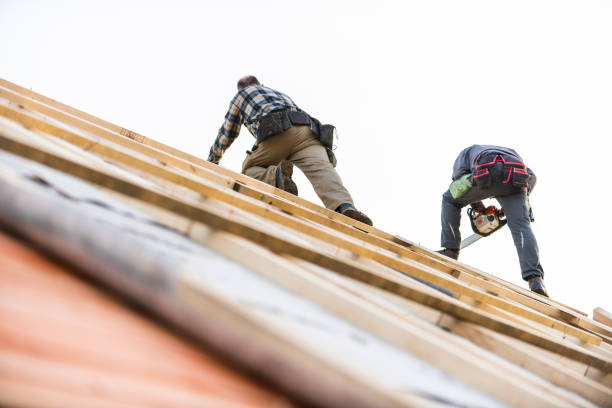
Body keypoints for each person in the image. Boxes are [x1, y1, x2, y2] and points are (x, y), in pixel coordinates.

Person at [207, 75, 372, 226]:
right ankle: (345, 208)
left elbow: (227, 133)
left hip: (276, 131)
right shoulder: (278, 93)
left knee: (248, 169)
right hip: (308, 132)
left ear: (240, 88)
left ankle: (277, 176)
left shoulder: (241, 96)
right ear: (261, 84)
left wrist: (212, 160)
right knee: (322, 170)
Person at [438, 144, 548, 297]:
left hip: (487, 172)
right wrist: (518, 202)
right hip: (515, 178)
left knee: (449, 199)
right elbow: (531, 176)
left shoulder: (466, 153)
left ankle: (450, 251)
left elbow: (459, 184)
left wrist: (478, 208)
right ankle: (535, 279)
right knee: (521, 226)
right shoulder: (511, 152)